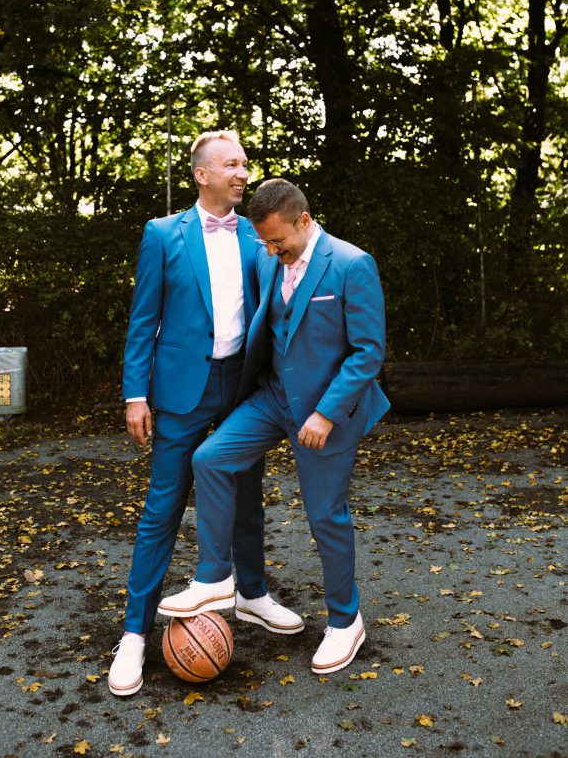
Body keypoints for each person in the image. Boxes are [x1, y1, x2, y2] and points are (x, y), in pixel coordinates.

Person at [158, 177, 390, 675]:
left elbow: (368, 352)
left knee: (325, 515)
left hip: (326, 412)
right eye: (264, 241)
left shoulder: (352, 265)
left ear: (304, 221)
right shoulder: (268, 256)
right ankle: (216, 576)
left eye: (278, 240)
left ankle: (346, 622)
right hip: (272, 398)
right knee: (211, 458)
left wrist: (326, 413)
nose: (270, 249)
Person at [108, 136, 303, 698]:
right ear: (201, 175)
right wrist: (135, 394)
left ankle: (253, 594)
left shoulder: (257, 233)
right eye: (232, 164)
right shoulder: (162, 234)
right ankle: (135, 635)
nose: (243, 172)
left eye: (244, 163)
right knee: (163, 506)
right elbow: (144, 319)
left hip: (242, 385)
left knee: (245, 491)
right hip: (179, 391)